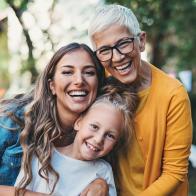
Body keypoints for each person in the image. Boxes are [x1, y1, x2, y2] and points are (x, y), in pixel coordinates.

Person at [88, 4, 192, 196]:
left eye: (123, 43)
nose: (117, 57)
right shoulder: (98, 85)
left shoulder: (172, 94)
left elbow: (175, 173)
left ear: (141, 41)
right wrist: (98, 180)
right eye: (105, 50)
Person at [0, 42, 106, 195]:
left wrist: (101, 182)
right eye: (68, 72)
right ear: (52, 85)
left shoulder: (100, 131)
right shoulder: (14, 120)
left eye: (89, 72)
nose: (79, 80)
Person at [14, 84, 138, 196]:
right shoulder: (41, 155)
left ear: (115, 143)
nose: (99, 139)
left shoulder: (103, 171)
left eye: (110, 136)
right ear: (78, 123)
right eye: (94, 127)